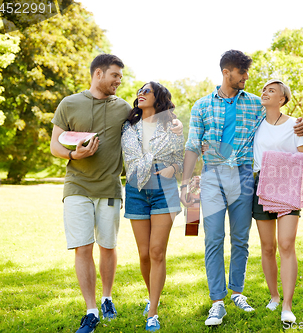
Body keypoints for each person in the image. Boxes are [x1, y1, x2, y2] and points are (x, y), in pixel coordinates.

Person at [50, 54, 182, 333]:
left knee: (124, 248)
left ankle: (124, 302)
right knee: (89, 248)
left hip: (118, 188)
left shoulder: (126, 110)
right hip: (85, 186)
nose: (120, 82)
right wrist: (74, 153)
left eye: (122, 77)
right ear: (98, 74)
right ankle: (91, 309)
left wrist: (175, 133)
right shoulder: (73, 104)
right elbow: (55, 145)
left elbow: (170, 138)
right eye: (115, 76)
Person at [180, 50, 303, 326]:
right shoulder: (201, 106)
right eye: (242, 73)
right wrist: (186, 182)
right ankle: (217, 301)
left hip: (244, 177)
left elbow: (279, 119)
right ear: (227, 73)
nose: (247, 78)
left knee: (240, 239)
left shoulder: (254, 104)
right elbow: (192, 145)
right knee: (213, 239)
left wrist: (302, 125)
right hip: (212, 176)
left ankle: (237, 292)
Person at [121, 82, 184, 331]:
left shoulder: (172, 126)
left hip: (163, 190)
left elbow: (182, 157)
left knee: (157, 252)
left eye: (147, 91)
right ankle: (152, 297)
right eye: (139, 90)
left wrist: (174, 168)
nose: (141, 94)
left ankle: (153, 312)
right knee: (144, 253)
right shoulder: (127, 126)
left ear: (159, 98)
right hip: (136, 189)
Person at [252, 79, 303, 324]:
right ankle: (274, 296)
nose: (265, 92)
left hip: (287, 185)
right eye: (265, 89)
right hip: (260, 184)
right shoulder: (255, 122)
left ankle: (287, 305)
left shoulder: (295, 124)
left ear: (282, 99)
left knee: (286, 244)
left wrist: (278, 161)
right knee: (267, 247)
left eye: (272, 90)